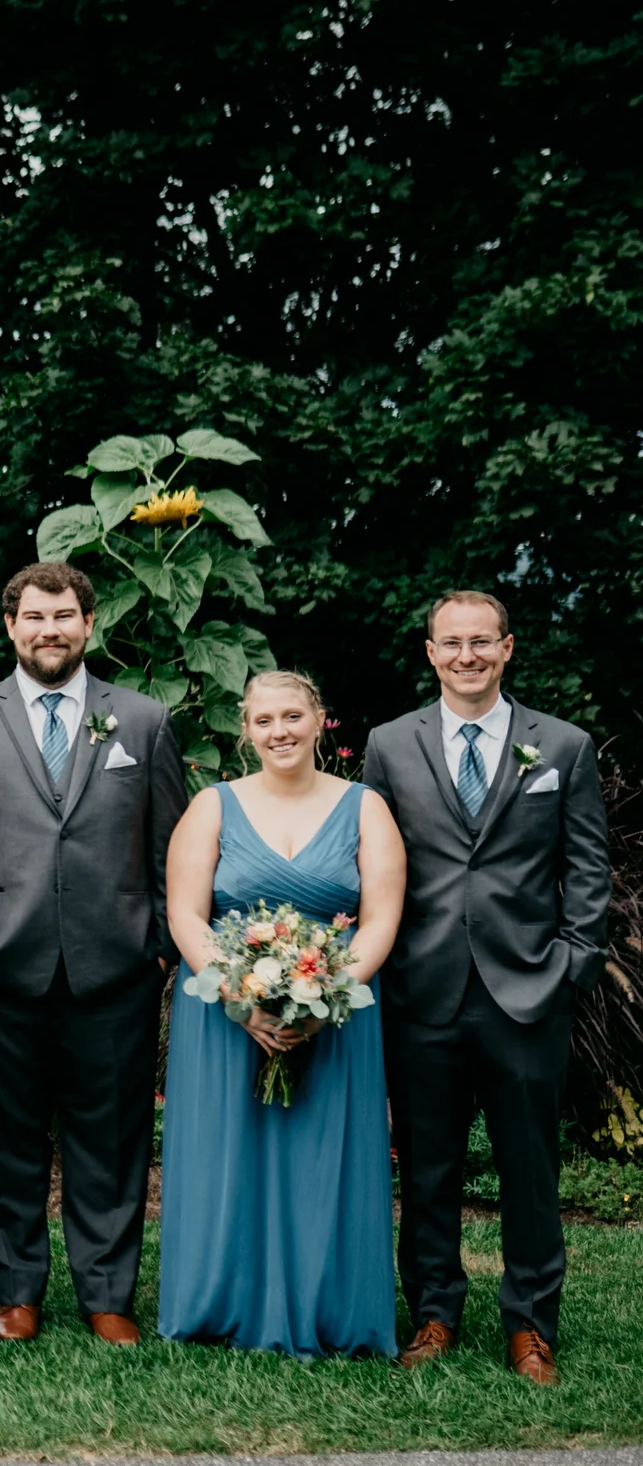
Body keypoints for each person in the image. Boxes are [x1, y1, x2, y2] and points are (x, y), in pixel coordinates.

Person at [0, 561, 186, 1346]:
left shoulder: (141, 720)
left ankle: (108, 1293)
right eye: (34, 617)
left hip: (116, 964)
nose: (49, 629)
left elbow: (170, 842)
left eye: (63, 616)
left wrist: (163, 944)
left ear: (88, 623)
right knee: (4, 1135)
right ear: (11, 627)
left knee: (112, 1136)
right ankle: (19, 1289)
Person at [361, 590, 611, 1385]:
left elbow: (588, 867)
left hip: (528, 990)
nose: (466, 655)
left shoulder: (563, 745)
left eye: (481, 642)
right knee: (428, 1166)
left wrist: (572, 964)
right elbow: (371, 859)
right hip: (422, 990)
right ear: (431, 653)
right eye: (451, 643)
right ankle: (435, 1312)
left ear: (507, 648)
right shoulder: (389, 744)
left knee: (530, 1169)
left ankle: (532, 1326)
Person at [157, 671, 403, 1359]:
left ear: (319, 719)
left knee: (323, 1159)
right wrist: (239, 997)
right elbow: (185, 911)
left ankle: (332, 1305)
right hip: (225, 1015)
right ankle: (219, 1300)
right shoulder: (212, 805)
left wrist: (328, 999)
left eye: (292, 715)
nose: (279, 731)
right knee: (225, 1154)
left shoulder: (365, 807)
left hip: (337, 1013)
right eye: (264, 720)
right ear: (247, 729)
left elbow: (381, 919)